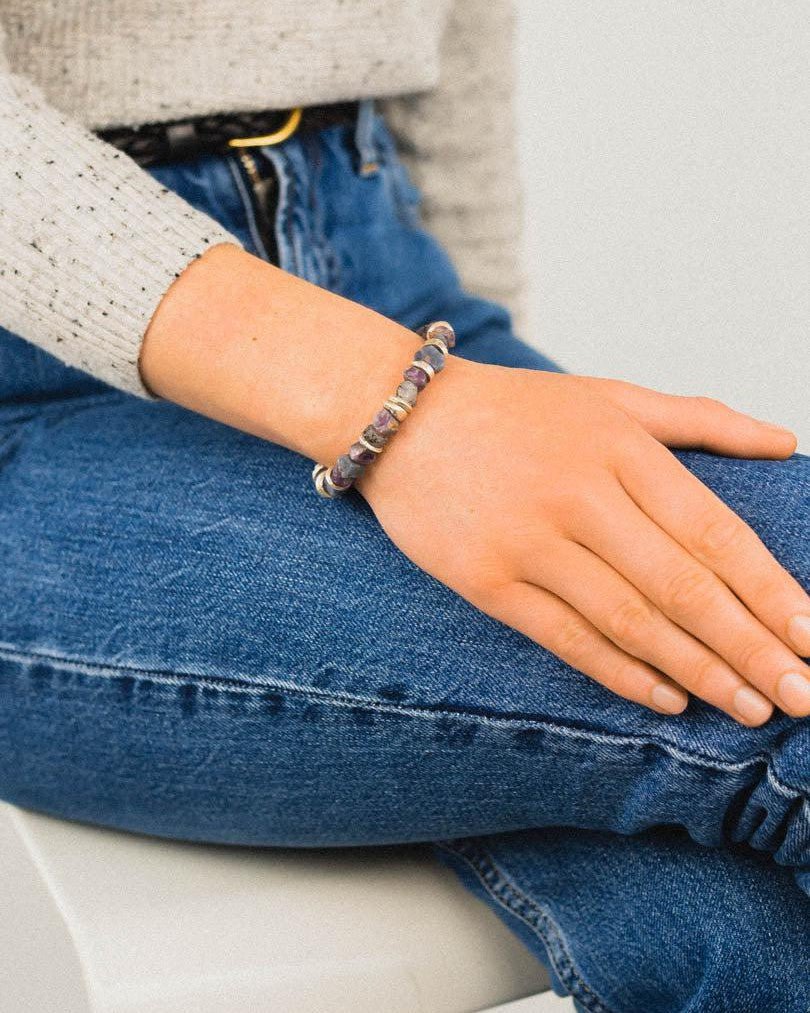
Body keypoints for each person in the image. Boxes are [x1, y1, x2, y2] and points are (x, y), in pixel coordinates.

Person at [0, 4, 807, 1010]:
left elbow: (453, 43)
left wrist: (486, 419)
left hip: (391, 272)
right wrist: (393, 404)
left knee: (743, 923)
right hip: (36, 383)